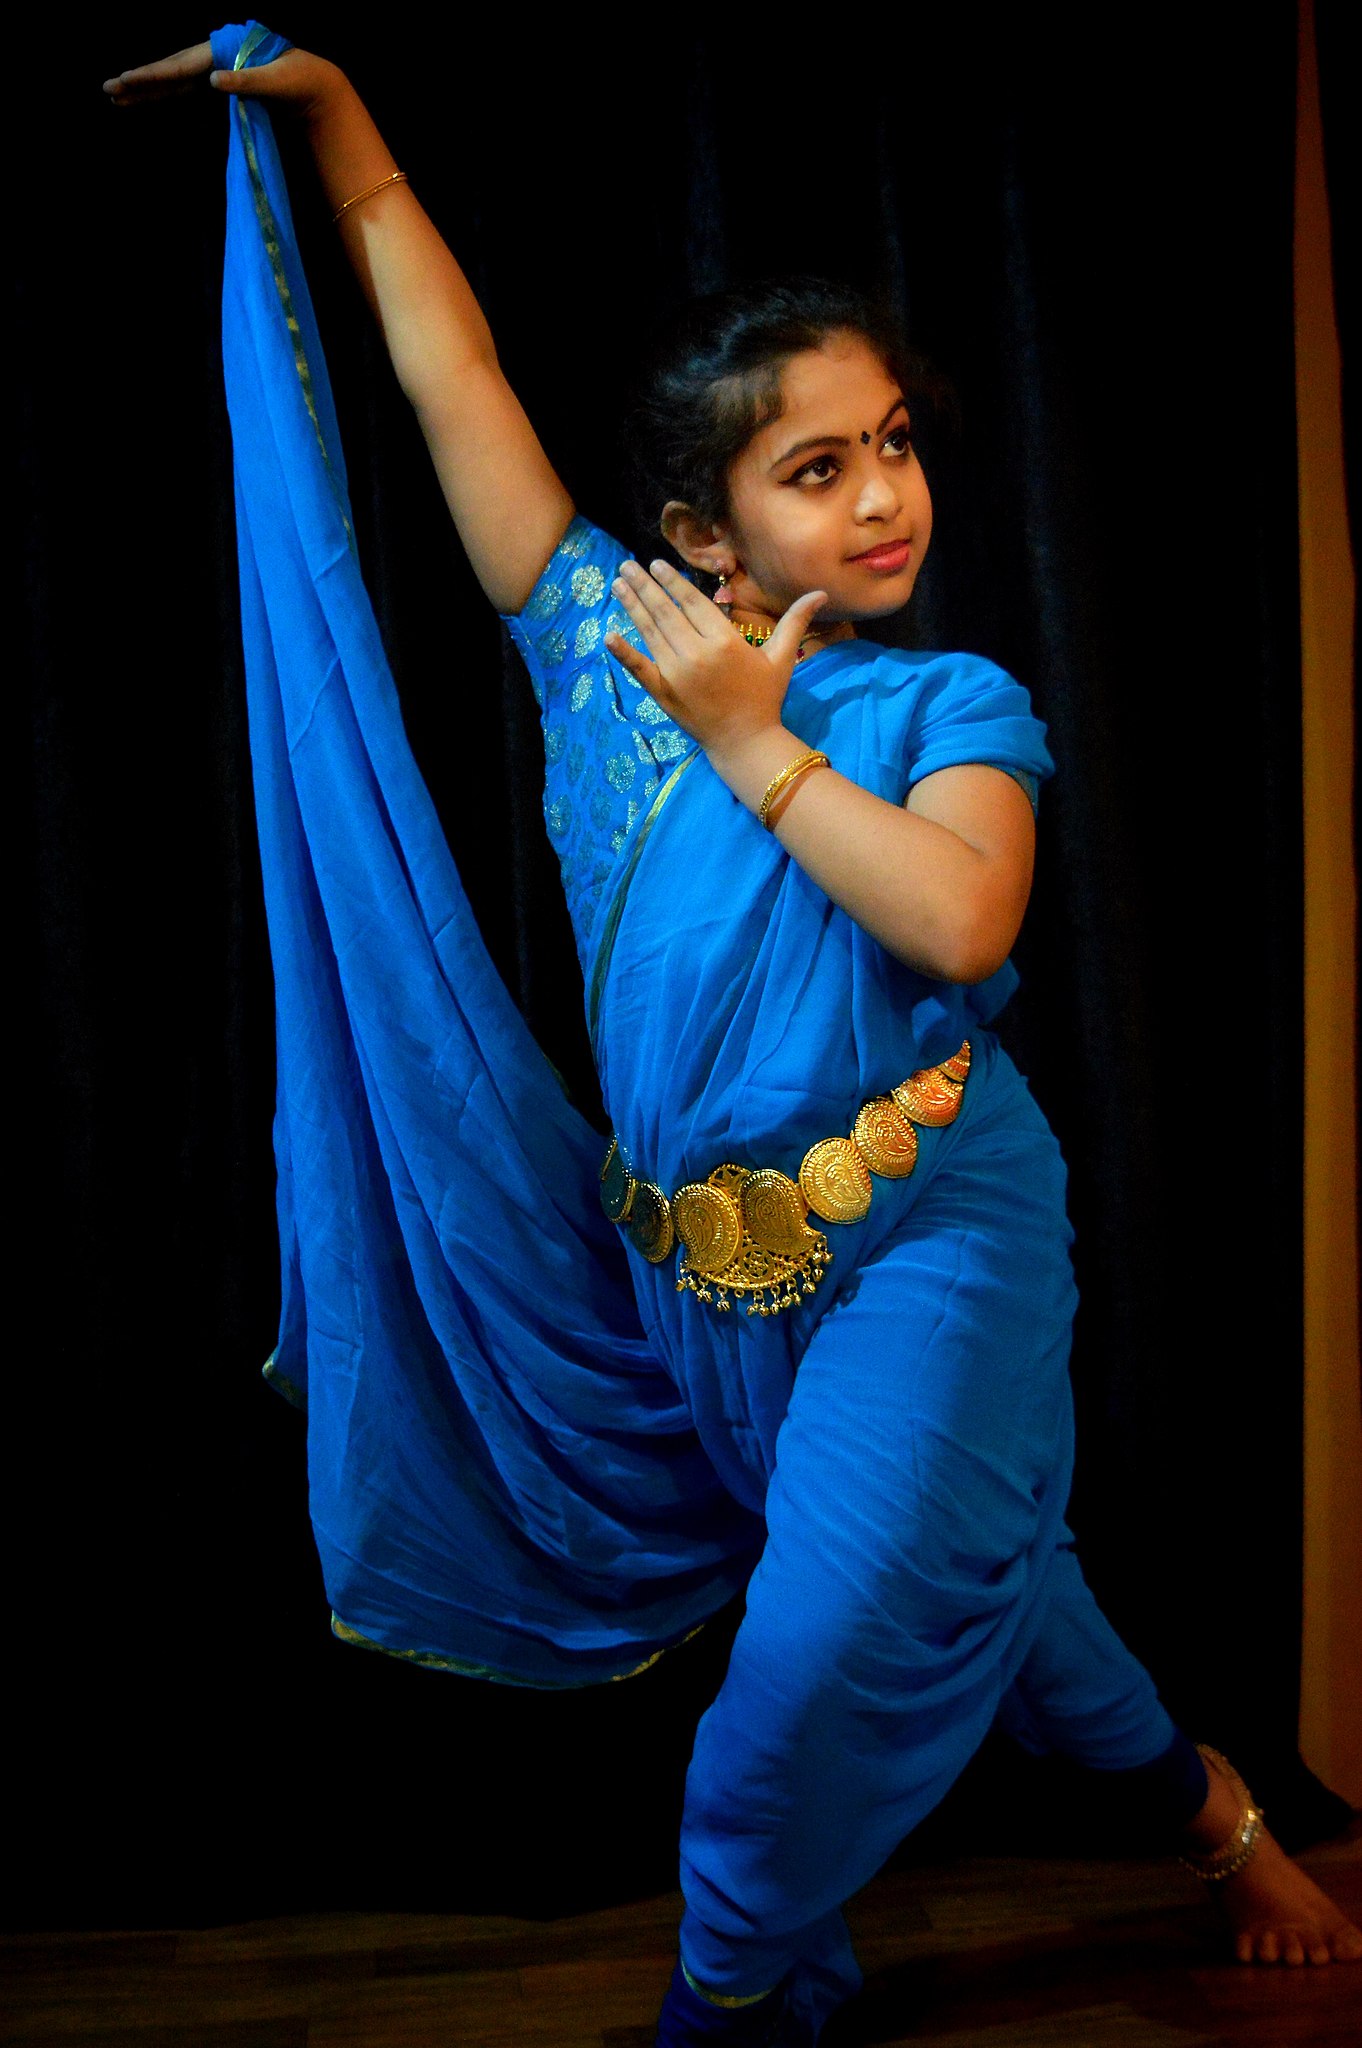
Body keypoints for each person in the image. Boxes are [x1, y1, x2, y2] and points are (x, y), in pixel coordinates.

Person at [105, 24, 1361, 2044]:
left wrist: (763, 753)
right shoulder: (613, 657)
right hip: (704, 1281)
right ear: (704, 530)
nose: (885, 496)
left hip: (934, 1242)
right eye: (816, 465)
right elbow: (456, 384)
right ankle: (1219, 1819)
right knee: (1021, 1613)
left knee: (782, 1708)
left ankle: (729, 2002)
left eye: (897, 443)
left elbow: (961, 908)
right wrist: (337, 125)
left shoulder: (947, 704)